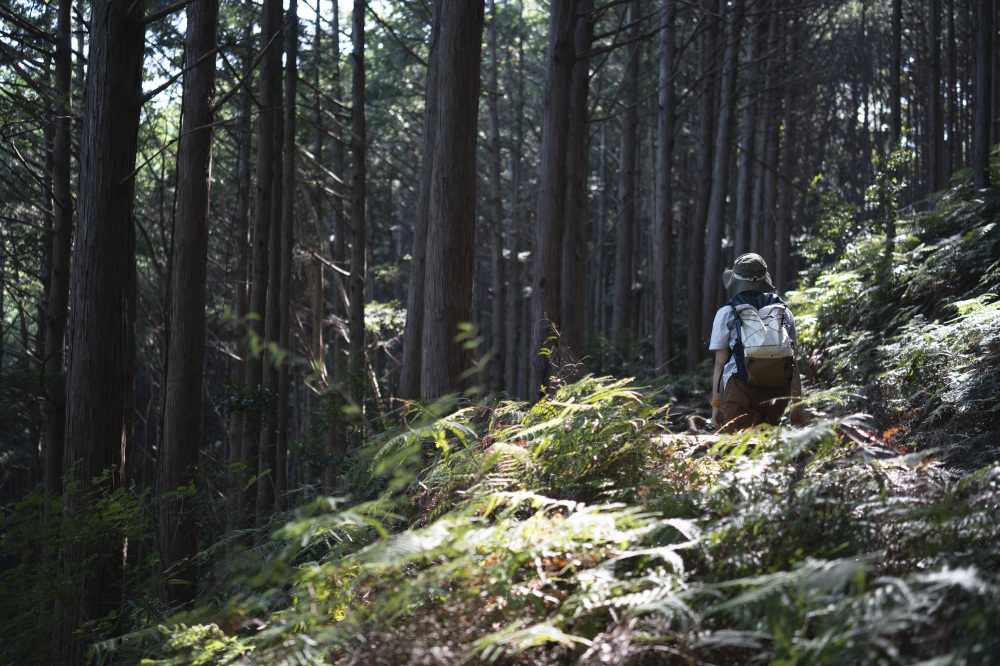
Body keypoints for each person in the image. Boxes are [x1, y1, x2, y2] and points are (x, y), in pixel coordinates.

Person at [709, 253, 805, 432]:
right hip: (778, 392)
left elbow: (720, 364)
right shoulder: (784, 312)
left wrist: (716, 404)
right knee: (766, 451)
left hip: (740, 389)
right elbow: (792, 361)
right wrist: (797, 405)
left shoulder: (727, 313)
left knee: (741, 450)